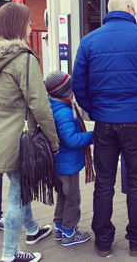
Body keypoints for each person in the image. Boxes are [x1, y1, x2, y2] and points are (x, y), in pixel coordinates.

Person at [72, 0, 137, 257]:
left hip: (105, 124)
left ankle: (103, 243)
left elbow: (78, 86)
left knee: (104, 183)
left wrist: (95, 112)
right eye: (135, 11)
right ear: (129, 9)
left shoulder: (88, 41)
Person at [0, 3, 59, 262]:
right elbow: (40, 104)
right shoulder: (24, 59)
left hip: (1, 136)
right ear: (18, 26)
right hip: (19, 141)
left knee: (19, 187)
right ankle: (9, 255)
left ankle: (33, 230)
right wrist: (54, 141)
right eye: (29, 22)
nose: (31, 27)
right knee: (18, 194)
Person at [45, 71, 93, 247]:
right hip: (68, 165)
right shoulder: (64, 111)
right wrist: (94, 135)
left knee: (62, 196)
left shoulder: (51, 105)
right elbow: (71, 140)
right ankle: (69, 233)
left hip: (58, 164)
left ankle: (59, 228)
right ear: (66, 91)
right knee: (73, 198)